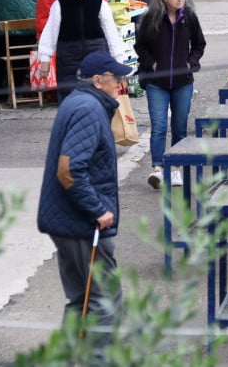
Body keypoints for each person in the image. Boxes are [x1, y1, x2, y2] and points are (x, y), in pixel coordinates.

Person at [37, 50, 130, 345]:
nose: (120, 84)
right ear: (98, 80)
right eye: (116, 78)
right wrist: (98, 210)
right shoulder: (89, 110)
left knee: (80, 300)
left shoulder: (77, 102)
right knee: (105, 301)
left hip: (64, 220)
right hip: (81, 223)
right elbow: (70, 169)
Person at [134, 0, 206, 190]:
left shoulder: (189, 17)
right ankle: (157, 169)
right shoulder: (151, 18)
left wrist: (190, 63)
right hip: (157, 83)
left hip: (183, 82)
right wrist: (152, 64)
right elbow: (141, 47)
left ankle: (175, 169)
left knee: (179, 127)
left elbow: (199, 44)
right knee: (159, 126)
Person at [37, 0, 127, 98]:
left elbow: (111, 33)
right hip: (68, 58)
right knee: (69, 97)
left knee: (97, 97)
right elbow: (50, 32)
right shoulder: (60, 4)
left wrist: (118, 59)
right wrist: (45, 59)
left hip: (96, 54)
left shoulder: (99, 3)